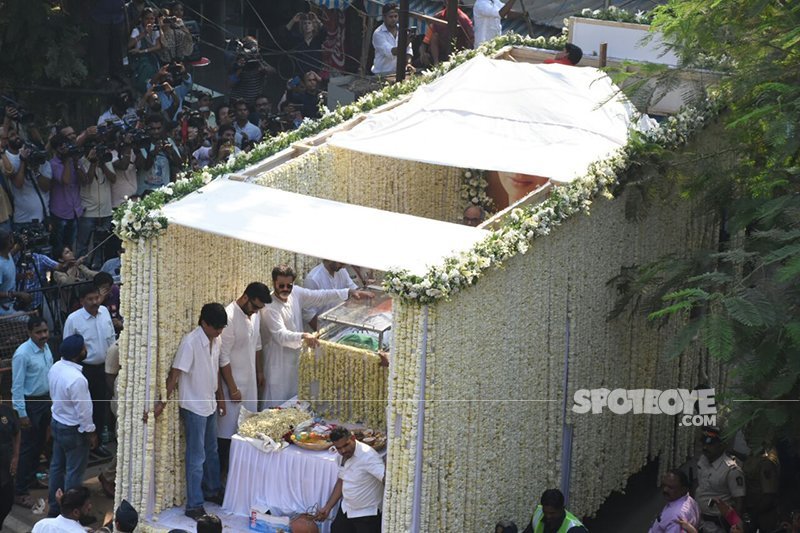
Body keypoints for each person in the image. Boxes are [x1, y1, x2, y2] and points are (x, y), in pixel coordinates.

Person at [260, 265, 373, 408]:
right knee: (277, 402)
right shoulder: (270, 307)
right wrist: (303, 336)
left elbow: (320, 296)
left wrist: (348, 292)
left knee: (296, 398)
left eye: (289, 285)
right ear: (273, 282)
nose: (285, 289)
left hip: (297, 358)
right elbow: (281, 335)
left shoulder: (295, 293)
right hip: (278, 363)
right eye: (281, 285)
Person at [156, 303, 229, 520]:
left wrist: (220, 397)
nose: (219, 332)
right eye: (216, 328)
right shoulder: (190, 342)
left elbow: (215, 370)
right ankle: (194, 504)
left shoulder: (216, 339)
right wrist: (162, 402)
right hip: (194, 406)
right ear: (204, 323)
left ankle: (213, 489)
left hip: (209, 404)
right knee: (196, 457)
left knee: (212, 450)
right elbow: (175, 374)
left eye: (221, 328)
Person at [216, 282, 270, 471]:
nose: (256, 311)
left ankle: (244, 473)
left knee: (248, 431)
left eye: (259, 308)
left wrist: (260, 372)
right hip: (233, 386)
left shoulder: (253, 315)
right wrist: (232, 388)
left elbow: (257, 345)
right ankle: (226, 477)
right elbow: (223, 358)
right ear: (245, 297)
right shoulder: (229, 316)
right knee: (228, 434)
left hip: (250, 384)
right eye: (255, 306)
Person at [62, 284, 116, 459]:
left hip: (105, 367)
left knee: (101, 407)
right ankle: (85, 447)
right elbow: (67, 347)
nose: (95, 302)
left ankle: (97, 443)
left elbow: (112, 338)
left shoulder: (104, 312)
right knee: (85, 408)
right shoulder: (73, 319)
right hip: (85, 370)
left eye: (97, 298)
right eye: (90, 299)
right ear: (81, 301)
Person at [47, 336, 98, 517]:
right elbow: (84, 411)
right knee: (74, 474)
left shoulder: (56, 367)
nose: (86, 350)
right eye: (84, 347)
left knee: (56, 468)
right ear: (79, 354)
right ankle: (71, 513)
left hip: (58, 423)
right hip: (73, 430)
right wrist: (91, 432)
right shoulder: (77, 379)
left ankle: (55, 507)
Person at [12, 316, 53, 509]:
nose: (43, 335)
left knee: (40, 444)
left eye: (45, 331)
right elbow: (17, 387)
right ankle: (19, 491)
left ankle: (31, 480)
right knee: (27, 448)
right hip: (30, 405)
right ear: (29, 333)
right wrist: (21, 413)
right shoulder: (22, 354)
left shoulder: (46, 348)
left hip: (45, 401)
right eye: (39, 332)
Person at [315, 426, 385, 532]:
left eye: (346, 445)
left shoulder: (368, 456)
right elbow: (341, 481)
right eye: (338, 448)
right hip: (347, 509)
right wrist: (328, 507)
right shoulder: (341, 456)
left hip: (367, 515)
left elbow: (386, 479)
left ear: (352, 438)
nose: (343, 450)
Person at [695, 426, 746, 533]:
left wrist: (735, 528)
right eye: (704, 443)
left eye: (710, 444)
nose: (705, 447)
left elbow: (739, 503)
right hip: (702, 523)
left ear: (722, 446)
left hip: (720, 526)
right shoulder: (703, 460)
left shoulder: (731, 470)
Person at [2, 128, 52, 230]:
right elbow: (18, 184)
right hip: (23, 220)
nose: (17, 137)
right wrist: (23, 161)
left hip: (43, 217)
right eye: (12, 135)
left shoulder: (37, 158)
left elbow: (46, 187)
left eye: (17, 134)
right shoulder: (10, 160)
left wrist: (35, 170)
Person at [77, 138, 116, 268]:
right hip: (88, 211)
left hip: (105, 211)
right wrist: (93, 162)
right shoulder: (81, 162)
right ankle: (80, 270)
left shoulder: (105, 159)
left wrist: (102, 164)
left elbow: (113, 178)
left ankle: (99, 269)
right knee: (83, 244)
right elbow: (87, 180)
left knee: (102, 245)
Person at [49, 133, 86, 255]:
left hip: (75, 211)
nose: (65, 150)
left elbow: (84, 181)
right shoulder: (53, 164)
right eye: (61, 147)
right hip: (60, 212)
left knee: (70, 247)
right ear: (55, 150)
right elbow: (65, 180)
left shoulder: (75, 160)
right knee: (59, 249)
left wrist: (75, 163)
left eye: (66, 146)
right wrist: (66, 161)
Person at [302, 259, 357, 330]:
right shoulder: (313, 279)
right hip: (323, 327)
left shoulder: (342, 271)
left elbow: (354, 290)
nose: (343, 267)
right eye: (341, 263)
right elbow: (309, 314)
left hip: (343, 323)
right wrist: (322, 333)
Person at [743, 443, 780, 532]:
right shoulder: (753, 456)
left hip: (764, 514)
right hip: (753, 510)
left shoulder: (766, 462)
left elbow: (769, 495)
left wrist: (753, 514)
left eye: (750, 431)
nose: (746, 436)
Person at [0, 373, 20, 531]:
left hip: (5, 467)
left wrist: (15, 456)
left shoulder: (5, 411)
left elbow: (16, 431)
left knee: (6, 503)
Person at [371, 3, 413, 75]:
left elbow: (408, 50)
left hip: (399, 73)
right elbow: (392, 52)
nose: (393, 19)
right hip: (381, 75)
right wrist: (406, 42)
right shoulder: (378, 34)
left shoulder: (402, 30)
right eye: (390, 17)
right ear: (384, 17)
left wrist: (408, 63)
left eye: (395, 16)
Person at [521, 488, 587, 533]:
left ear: (562, 509)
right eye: (545, 512)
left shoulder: (575, 529)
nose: (548, 516)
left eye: (552, 513)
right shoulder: (538, 514)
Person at [129, 7, 162, 93]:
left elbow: (158, 46)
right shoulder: (137, 30)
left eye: (152, 19)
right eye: (147, 19)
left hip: (152, 58)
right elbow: (129, 45)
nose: (149, 21)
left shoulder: (155, 30)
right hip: (141, 61)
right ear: (142, 19)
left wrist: (144, 51)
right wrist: (144, 33)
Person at [0, 229, 33, 314]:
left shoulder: (7, 255)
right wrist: (17, 294)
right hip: (4, 309)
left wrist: (23, 276)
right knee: (36, 323)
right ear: (9, 242)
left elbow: (7, 278)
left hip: (12, 304)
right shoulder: (0, 264)